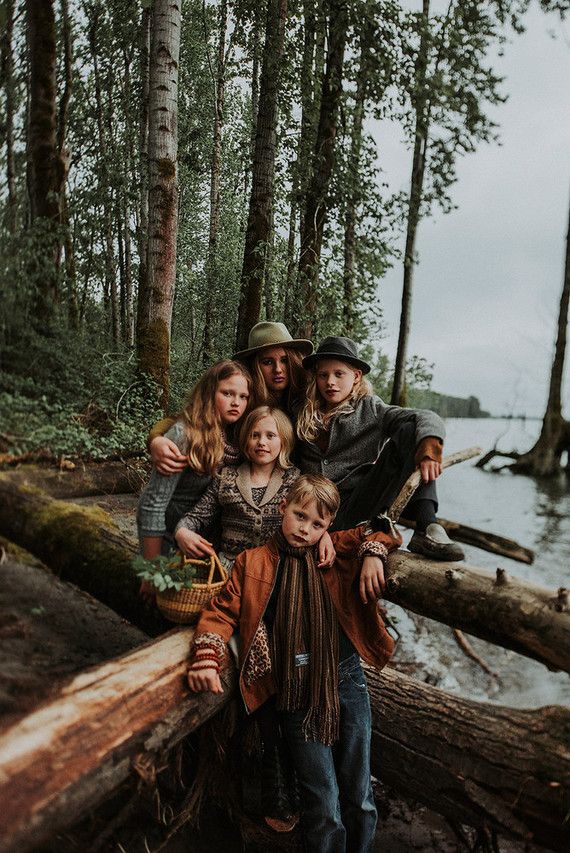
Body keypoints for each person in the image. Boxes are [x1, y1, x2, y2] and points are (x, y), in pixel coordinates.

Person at [186, 473, 402, 852]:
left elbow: (383, 530)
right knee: (323, 801)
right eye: (300, 516)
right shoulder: (251, 563)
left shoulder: (334, 548)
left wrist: (372, 555)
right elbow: (221, 612)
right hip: (295, 687)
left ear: (328, 525)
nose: (305, 529)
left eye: (317, 524)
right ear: (283, 506)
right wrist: (207, 657)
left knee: (360, 793)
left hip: (348, 679)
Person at [295, 336, 464, 561]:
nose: (330, 382)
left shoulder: (370, 408)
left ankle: (427, 527)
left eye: (339, 374)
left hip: (360, 504)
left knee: (410, 430)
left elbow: (425, 416)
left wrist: (429, 451)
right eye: (323, 375)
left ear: (356, 377)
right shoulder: (304, 413)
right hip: (315, 509)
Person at [174, 405, 334, 570]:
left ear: (284, 441)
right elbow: (196, 517)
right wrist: (182, 531)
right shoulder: (226, 478)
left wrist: (324, 536)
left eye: (270, 436)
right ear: (246, 440)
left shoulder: (294, 481)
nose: (261, 442)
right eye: (255, 435)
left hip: (275, 568)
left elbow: (312, 517)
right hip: (229, 570)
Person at [149, 322, 313, 475]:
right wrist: (156, 440)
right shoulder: (244, 399)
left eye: (284, 360)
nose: (278, 369)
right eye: (267, 362)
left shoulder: (308, 396)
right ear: (255, 365)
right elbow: (188, 418)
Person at [137, 360, 252, 567]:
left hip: (204, 543)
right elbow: (152, 504)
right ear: (209, 393)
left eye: (243, 396)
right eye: (227, 393)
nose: (236, 402)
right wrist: (151, 568)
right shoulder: (185, 434)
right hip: (168, 541)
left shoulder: (235, 435)